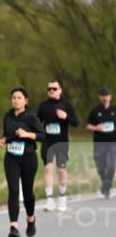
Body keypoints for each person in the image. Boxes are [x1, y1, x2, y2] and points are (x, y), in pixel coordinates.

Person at [0, 87, 45, 237]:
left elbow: (43, 135)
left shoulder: (31, 117)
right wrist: (3, 140)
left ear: (25, 100)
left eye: (19, 98)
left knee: (28, 193)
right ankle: (14, 226)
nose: (15, 100)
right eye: (13, 98)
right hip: (11, 157)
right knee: (13, 191)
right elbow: (7, 134)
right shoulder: (8, 116)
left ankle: (31, 219)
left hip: (28, 158)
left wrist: (27, 134)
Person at [36, 79, 79, 211]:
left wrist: (66, 116)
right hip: (48, 142)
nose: (52, 91)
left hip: (62, 142)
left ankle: (62, 197)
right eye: (49, 89)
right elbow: (36, 123)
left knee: (61, 170)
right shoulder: (43, 106)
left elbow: (76, 122)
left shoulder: (66, 105)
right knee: (48, 169)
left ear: (60, 90)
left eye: (54, 89)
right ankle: (49, 200)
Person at [85, 86, 115, 199]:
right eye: (103, 96)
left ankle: (106, 189)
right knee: (101, 166)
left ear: (110, 97)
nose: (105, 98)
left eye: (107, 95)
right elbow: (87, 126)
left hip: (113, 142)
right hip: (99, 143)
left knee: (111, 165)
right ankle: (105, 184)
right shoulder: (95, 111)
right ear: (100, 97)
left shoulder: (114, 110)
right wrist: (95, 127)